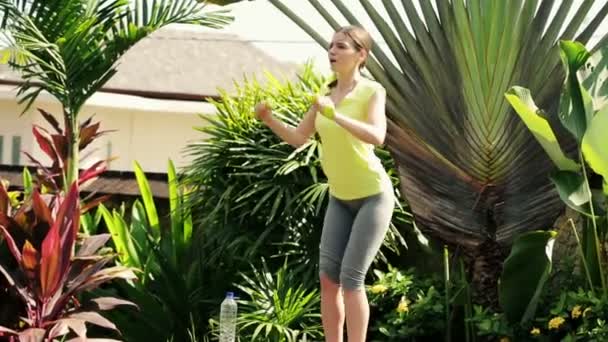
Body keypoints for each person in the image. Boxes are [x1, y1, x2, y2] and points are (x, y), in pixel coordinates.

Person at [254, 25, 394, 342]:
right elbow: (298, 139)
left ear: (361, 54)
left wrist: (337, 116)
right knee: (328, 280)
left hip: (373, 196)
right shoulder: (325, 94)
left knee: (351, 278)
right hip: (340, 198)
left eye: (341, 46)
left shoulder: (372, 91)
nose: (332, 51)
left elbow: (378, 136)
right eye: (331, 45)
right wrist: (268, 118)